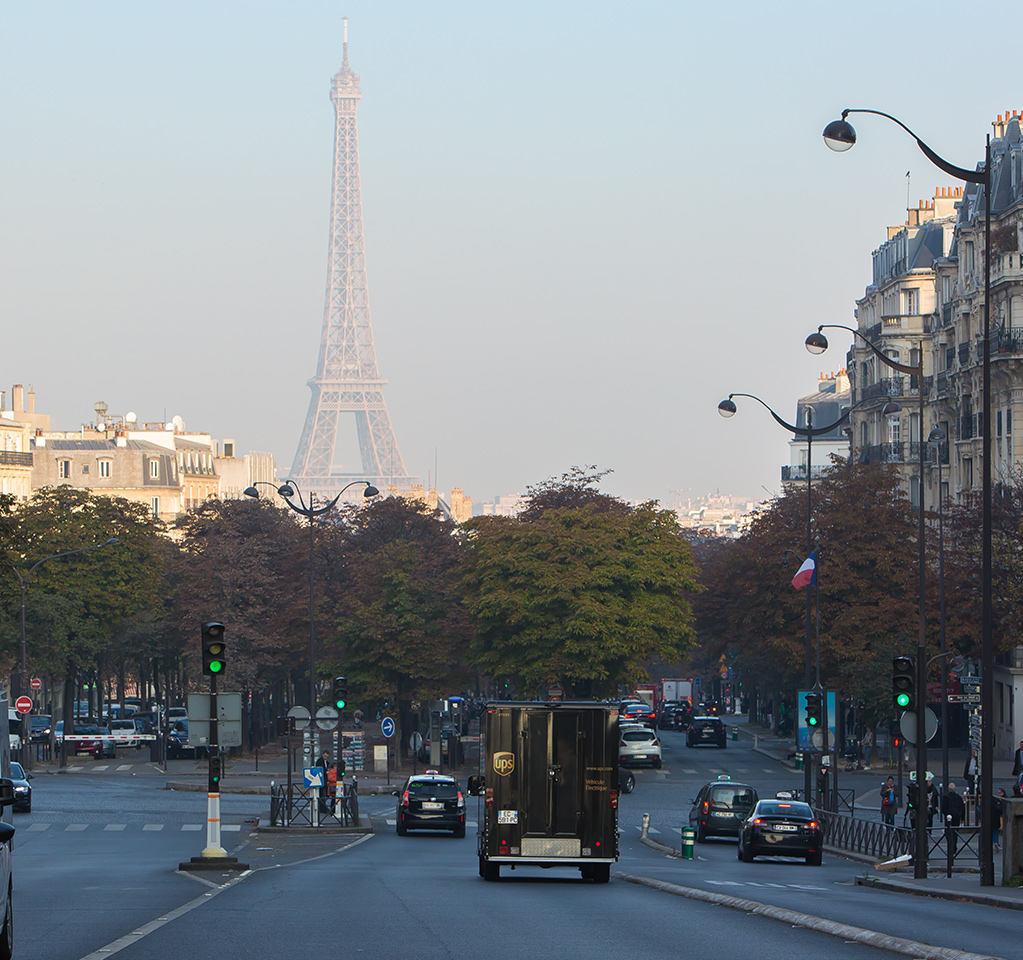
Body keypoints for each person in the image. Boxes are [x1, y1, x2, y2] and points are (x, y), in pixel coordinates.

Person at [942, 782, 966, 856]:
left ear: (948, 789)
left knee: (948, 833)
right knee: (955, 833)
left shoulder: (945, 797)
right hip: (956, 817)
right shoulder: (958, 797)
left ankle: (950, 847)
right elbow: (962, 807)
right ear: (955, 789)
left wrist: (946, 814)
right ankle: (954, 847)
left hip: (949, 817)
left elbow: (943, 808)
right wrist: (962, 817)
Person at [993, 788, 1006, 852]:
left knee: (987, 832)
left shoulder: (987, 801)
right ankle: (996, 842)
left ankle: (991, 843)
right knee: (995, 832)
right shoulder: (997, 801)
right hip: (996, 819)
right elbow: (1000, 810)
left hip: (987, 820)